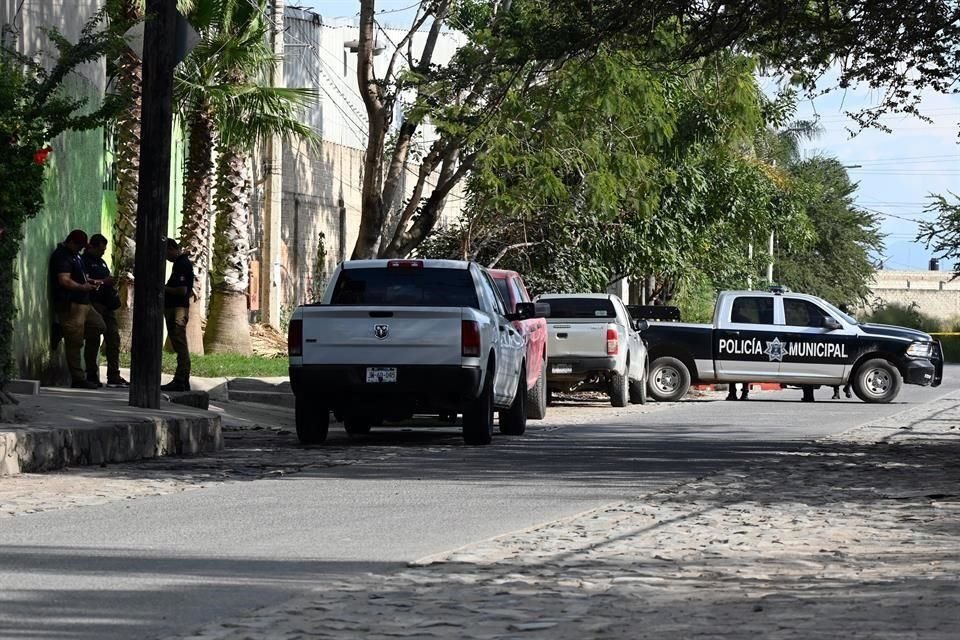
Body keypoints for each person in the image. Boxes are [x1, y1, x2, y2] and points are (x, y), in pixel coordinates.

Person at [49, 230, 106, 389]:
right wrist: (82, 287)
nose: (81, 249)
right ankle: (78, 378)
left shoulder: (76, 256)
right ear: (72, 242)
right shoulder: (62, 256)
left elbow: (80, 276)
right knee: (75, 343)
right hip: (71, 303)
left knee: (99, 326)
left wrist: (91, 282)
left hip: (84, 303)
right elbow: (64, 280)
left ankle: (63, 330)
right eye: (79, 246)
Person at [82, 234, 128, 388]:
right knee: (93, 340)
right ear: (93, 246)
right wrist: (103, 282)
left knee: (113, 340)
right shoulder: (85, 262)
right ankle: (91, 374)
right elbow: (84, 280)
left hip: (108, 305)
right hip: (95, 304)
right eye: (101, 249)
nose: (103, 252)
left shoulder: (101, 262)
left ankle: (114, 375)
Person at [162, 238, 194, 392]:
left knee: (180, 345)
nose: (166, 258)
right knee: (178, 344)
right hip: (174, 307)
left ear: (172, 248)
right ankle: (181, 380)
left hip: (178, 309)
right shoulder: (178, 264)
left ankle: (181, 379)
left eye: (166, 253)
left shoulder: (182, 264)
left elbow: (181, 290)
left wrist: (162, 288)